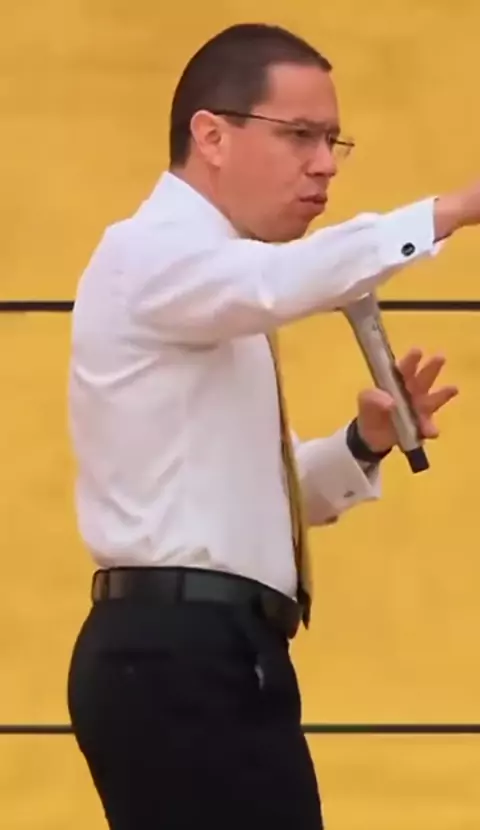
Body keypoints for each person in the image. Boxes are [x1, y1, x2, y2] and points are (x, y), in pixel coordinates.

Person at [66, 21, 480, 830]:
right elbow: (285, 280)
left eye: (332, 141)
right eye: (299, 136)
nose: (324, 164)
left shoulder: (210, 286)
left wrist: (363, 444)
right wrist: (454, 210)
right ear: (212, 136)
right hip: (175, 656)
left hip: (221, 654)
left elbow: (256, 505)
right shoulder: (150, 254)